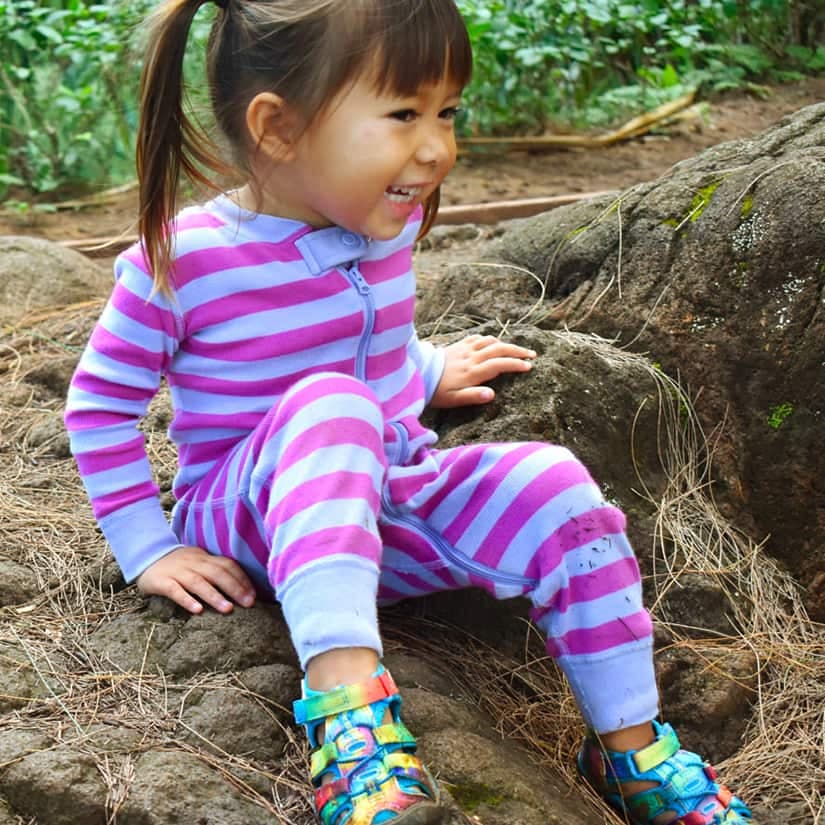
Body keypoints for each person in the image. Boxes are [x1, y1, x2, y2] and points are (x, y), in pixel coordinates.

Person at [64, 1, 753, 824]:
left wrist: (424, 370)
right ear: (278, 128)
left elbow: (372, 342)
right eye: (402, 115)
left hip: (385, 498)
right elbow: (99, 405)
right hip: (250, 510)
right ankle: (351, 726)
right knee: (333, 404)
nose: (436, 147)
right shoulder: (183, 258)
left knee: (554, 480)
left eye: (446, 112)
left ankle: (631, 751)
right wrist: (148, 545)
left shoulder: (379, 224)